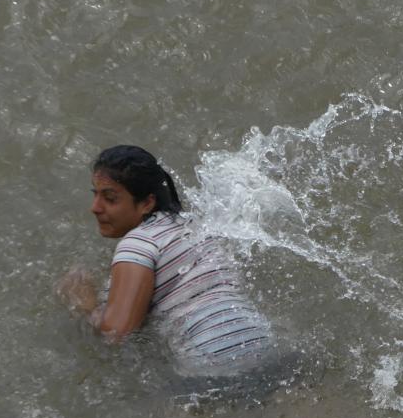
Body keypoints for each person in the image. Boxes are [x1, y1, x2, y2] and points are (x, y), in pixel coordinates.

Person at [57, 145, 275, 381]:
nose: (95, 207)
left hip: (213, 368)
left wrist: (86, 304)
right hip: (268, 351)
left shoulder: (137, 243)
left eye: (109, 198)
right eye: (95, 194)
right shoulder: (196, 226)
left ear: (146, 204)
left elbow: (117, 333)